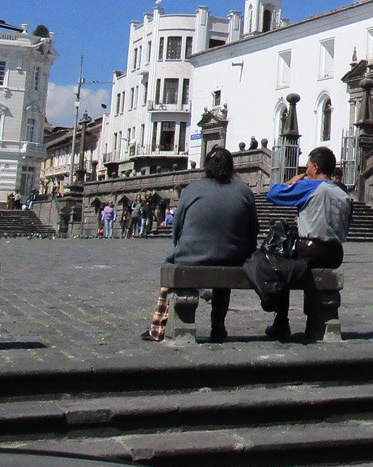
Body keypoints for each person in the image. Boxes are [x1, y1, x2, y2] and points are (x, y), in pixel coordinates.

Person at [144, 146, 259, 342]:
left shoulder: (192, 189)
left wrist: (182, 248)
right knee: (223, 275)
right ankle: (218, 325)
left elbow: (177, 227)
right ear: (232, 168)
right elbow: (253, 229)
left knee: (170, 266)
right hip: (234, 257)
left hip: (193, 256)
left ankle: (159, 327)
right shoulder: (245, 191)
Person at [261, 146, 352, 341]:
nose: (306, 171)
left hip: (313, 248)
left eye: (309, 166)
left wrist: (292, 182)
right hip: (335, 253)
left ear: (316, 167)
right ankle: (314, 321)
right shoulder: (343, 194)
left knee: (280, 259)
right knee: (297, 261)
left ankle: (281, 321)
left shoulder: (311, 185)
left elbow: (274, 194)